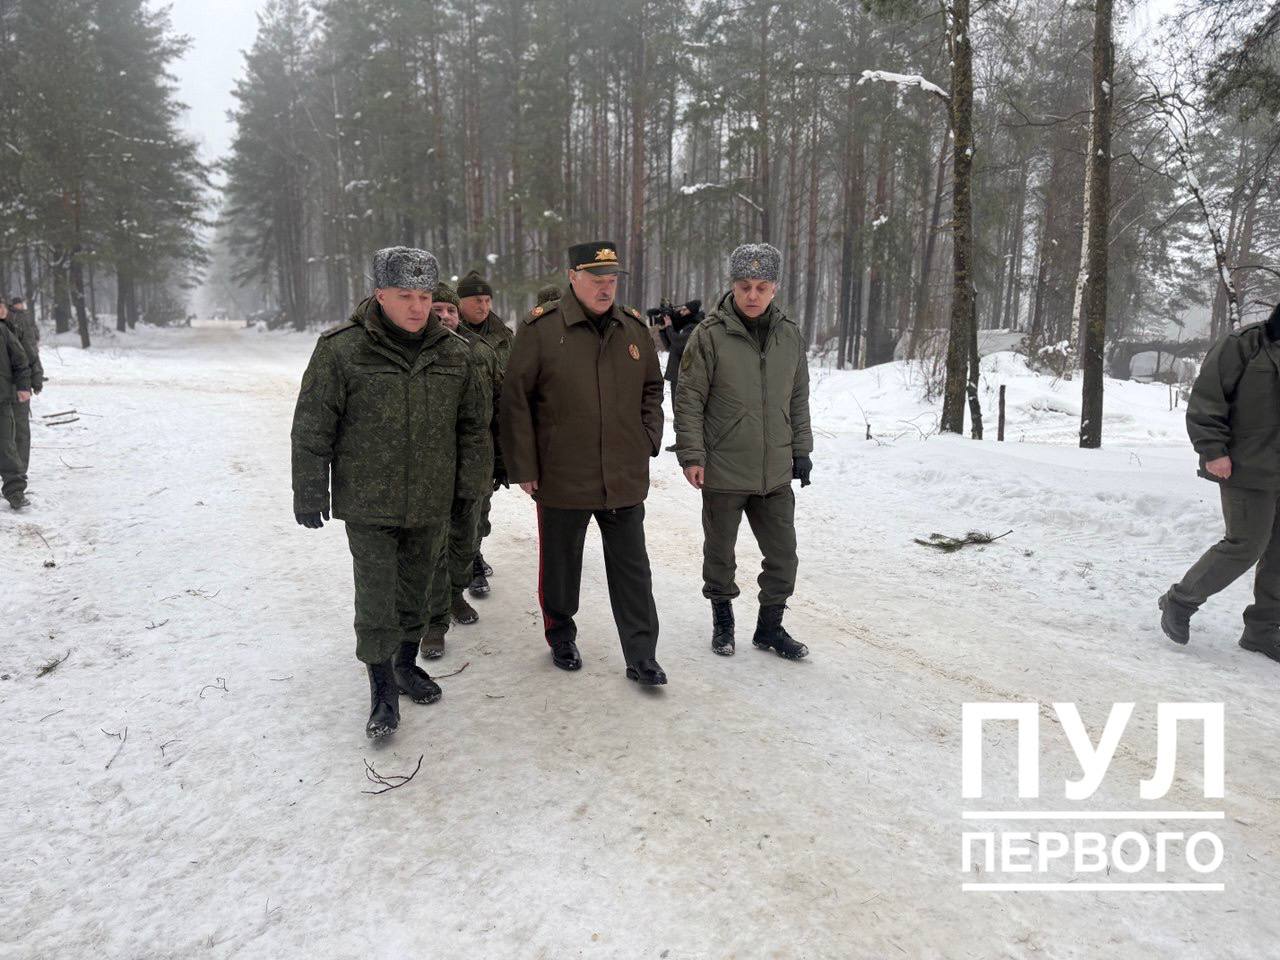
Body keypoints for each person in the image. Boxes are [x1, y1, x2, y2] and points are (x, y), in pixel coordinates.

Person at [291, 247, 491, 739]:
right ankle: (382, 690)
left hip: (431, 499)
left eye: (424, 296)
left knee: (417, 593)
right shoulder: (341, 350)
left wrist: (469, 489)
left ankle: (404, 664)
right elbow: (313, 425)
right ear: (380, 295)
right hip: (368, 503)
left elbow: (473, 428)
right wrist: (310, 490)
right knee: (376, 598)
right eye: (405, 296)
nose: (418, 307)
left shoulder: (455, 353)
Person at [499, 240, 668, 685]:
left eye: (611, 280)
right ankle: (561, 635)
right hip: (561, 475)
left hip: (622, 475)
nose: (605, 288)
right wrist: (525, 466)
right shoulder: (541, 329)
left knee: (633, 570)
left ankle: (642, 655)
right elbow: (516, 401)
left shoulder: (633, 329)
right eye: (596, 279)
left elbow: (652, 388)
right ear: (573, 277)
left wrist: (648, 437)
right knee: (561, 565)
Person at [675, 242, 813, 660]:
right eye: (744, 286)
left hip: (775, 471)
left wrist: (802, 450)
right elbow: (689, 399)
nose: (752, 295)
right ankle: (723, 622)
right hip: (724, 468)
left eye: (761, 287)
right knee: (720, 554)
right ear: (732, 285)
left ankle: (770, 627)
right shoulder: (709, 335)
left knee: (784, 556)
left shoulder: (789, 335)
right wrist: (692, 455)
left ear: (775, 288)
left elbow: (798, 399)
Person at [1161, 301, 1280, 664]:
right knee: (1247, 543)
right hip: (1247, 465)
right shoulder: (1245, 344)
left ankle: (1262, 630)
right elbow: (1207, 399)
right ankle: (1181, 600)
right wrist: (1213, 449)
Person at [419, 281, 503, 658]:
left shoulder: (480, 352)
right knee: (431, 547)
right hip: (428, 471)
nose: (445, 317)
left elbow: (500, 410)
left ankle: (454, 594)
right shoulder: (415, 354)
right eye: (437, 310)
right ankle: (433, 625)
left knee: (466, 541)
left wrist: (503, 462)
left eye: (450, 310)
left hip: (473, 467)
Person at [457, 268, 513, 598]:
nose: (484, 305)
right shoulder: (448, 332)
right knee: (459, 508)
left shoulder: (504, 336)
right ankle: (465, 562)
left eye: (488, 299)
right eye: (477, 299)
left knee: (482, 505)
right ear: (461, 302)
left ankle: (473, 552)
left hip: (490, 436)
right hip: (455, 437)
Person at [1, 297, 40, 505]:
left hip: (7, 395)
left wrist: (29, 383)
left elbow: (25, 356)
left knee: (11, 440)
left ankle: (15, 487)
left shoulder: (8, 329)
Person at [658, 298, 703, 451]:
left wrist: (670, 326)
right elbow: (670, 345)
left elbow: (677, 342)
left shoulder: (694, 327)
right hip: (677, 373)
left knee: (683, 410)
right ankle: (681, 441)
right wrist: (664, 328)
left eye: (685, 310)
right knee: (677, 409)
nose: (681, 312)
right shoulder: (684, 326)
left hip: (685, 375)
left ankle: (687, 442)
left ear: (692, 312)